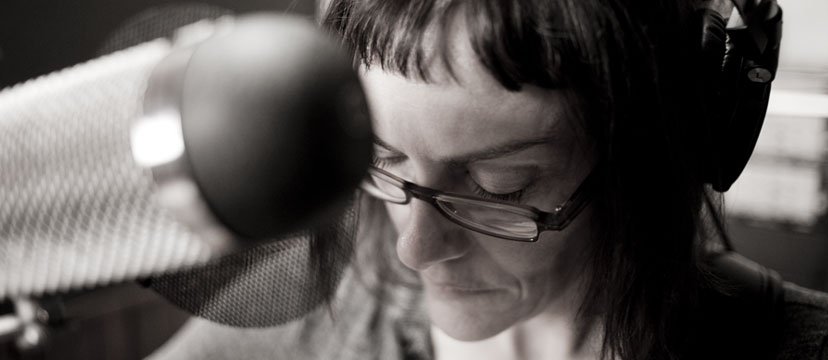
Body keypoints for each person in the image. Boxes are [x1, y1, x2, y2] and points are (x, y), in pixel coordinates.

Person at [148, 0, 828, 359]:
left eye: (502, 186)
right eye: (381, 159)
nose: (415, 250)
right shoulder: (318, 324)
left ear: (650, 162)